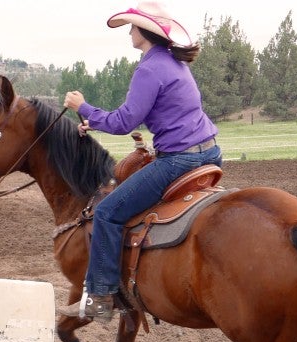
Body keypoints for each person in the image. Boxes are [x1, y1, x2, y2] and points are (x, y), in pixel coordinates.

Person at [58, 1, 222, 322]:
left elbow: (124, 122)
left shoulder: (148, 68)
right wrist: (94, 122)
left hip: (178, 160)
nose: (129, 33)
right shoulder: (174, 63)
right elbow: (151, 113)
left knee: (106, 212)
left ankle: (102, 296)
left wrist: (84, 107)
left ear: (145, 31)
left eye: (132, 27)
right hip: (210, 152)